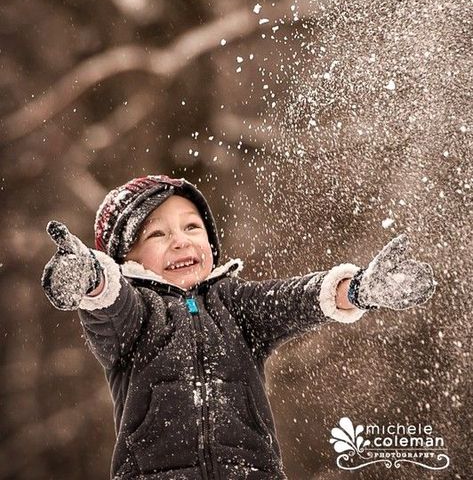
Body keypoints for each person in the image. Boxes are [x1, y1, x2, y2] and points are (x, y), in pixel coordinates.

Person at [41, 174, 436, 480]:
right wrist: (90, 278)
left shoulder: (236, 305)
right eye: (158, 234)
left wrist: (360, 289)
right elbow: (107, 303)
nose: (180, 242)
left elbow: (296, 300)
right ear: (126, 258)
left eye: (192, 228)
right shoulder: (135, 316)